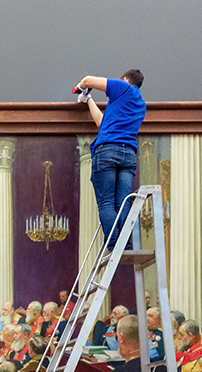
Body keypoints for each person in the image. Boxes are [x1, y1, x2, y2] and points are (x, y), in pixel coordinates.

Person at [77, 69, 146, 247]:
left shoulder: (123, 87)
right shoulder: (140, 104)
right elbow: (101, 123)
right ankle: (124, 243)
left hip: (107, 151)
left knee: (106, 201)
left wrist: (80, 87)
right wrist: (88, 99)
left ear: (125, 79)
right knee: (123, 201)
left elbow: (87, 79)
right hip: (128, 154)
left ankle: (114, 244)